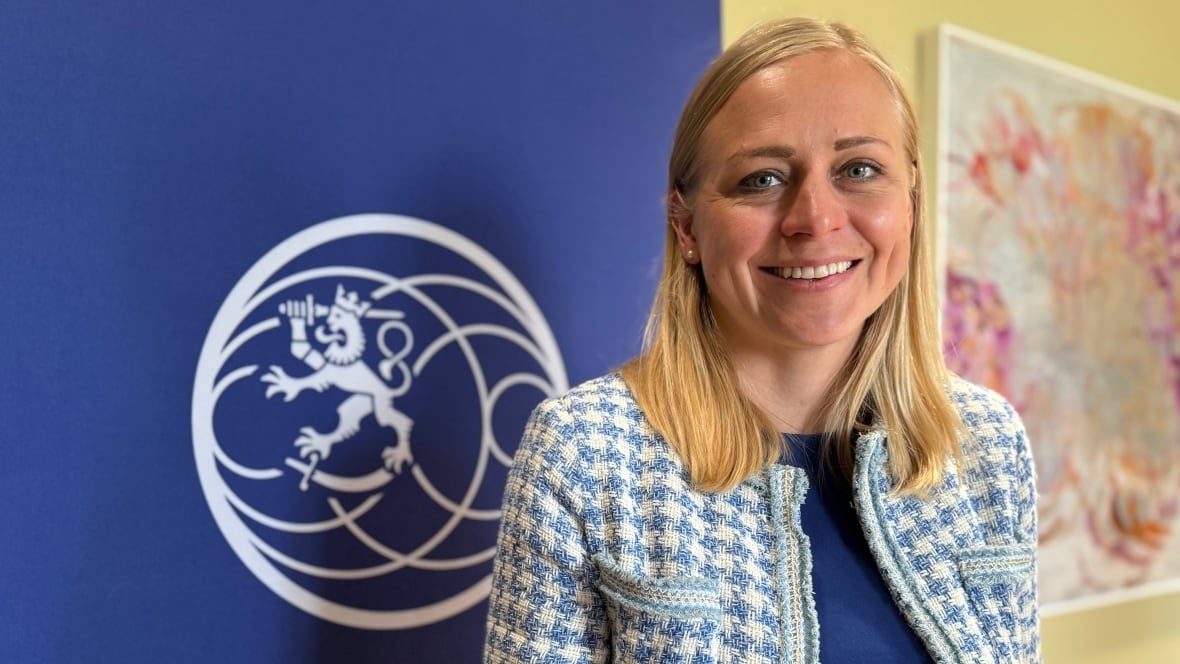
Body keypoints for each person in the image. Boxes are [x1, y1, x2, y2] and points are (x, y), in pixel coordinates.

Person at [484, 16, 1039, 664]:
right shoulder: (583, 453)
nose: (816, 219)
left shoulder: (986, 445)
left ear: (910, 203)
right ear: (686, 225)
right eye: (762, 179)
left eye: (859, 169)